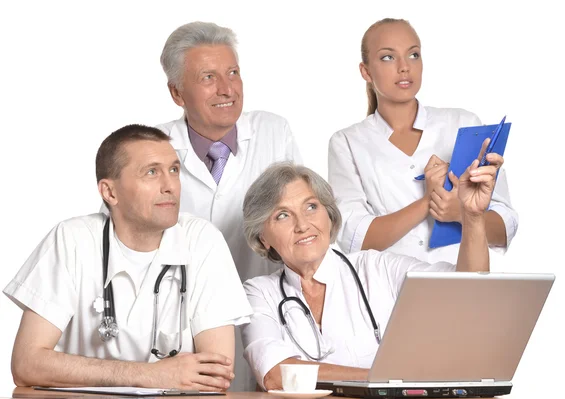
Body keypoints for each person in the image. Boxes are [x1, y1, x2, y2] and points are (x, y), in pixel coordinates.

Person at [4, 124, 252, 390]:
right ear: (110, 192)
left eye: (174, 170)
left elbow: (215, 376)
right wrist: (152, 375)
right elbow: (27, 364)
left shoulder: (203, 241)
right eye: (151, 172)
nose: (170, 186)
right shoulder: (72, 240)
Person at [240, 142, 500, 390]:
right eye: (282, 215)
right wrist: (384, 379)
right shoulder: (259, 293)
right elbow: (275, 374)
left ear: (329, 215)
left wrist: (473, 217)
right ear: (263, 236)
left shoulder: (376, 267)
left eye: (311, 207)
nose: (302, 224)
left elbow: (468, 292)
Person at [156, 21, 302, 390]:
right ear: (177, 92)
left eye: (233, 73)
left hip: (265, 316)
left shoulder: (273, 132)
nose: (227, 89)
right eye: (208, 77)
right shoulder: (152, 147)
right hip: (177, 331)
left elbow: (303, 220)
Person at [328, 18, 518, 264]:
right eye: (388, 57)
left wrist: (461, 213)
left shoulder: (464, 123)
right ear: (366, 71)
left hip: (464, 285)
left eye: (414, 55)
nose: (404, 67)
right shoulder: (347, 143)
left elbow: (505, 227)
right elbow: (355, 237)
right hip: (387, 293)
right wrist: (429, 202)